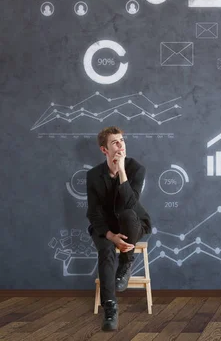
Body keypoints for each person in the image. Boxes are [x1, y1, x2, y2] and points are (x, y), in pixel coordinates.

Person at [86, 126, 152, 331]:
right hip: (106, 227)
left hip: (134, 224)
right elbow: (94, 213)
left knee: (126, 214)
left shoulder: (136, 169)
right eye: (115, 142)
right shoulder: (94, 176)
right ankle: (110, 307)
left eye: (122, 140)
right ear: (104, 149)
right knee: (105, 249)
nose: (120, 145)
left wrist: (121, 170)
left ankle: (126, 263)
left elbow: (131, 204)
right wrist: (110, 236)